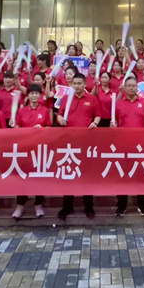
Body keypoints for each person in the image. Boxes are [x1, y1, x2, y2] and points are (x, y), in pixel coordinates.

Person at [57, 73, 100, 221]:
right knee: (69, 173)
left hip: (86, 142)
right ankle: (67, 206)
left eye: (79, 83)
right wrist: (60, 119)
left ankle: (89, 206)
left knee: (86, 174)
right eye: (74, 83)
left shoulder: (91, 98)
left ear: (84, 84)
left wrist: (95, 123)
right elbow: (59, 114)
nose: (76, 86)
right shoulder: (66, 98)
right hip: (69, 143)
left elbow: (98, 115)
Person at [111, 76, 144, 216]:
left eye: (133, 85)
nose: (131, 88)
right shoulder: (118, 104)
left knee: (142, 175)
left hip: (141, 146)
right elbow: (114, 123)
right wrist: (113, 128)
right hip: (123, 145)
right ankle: (121, 205)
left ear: (137, 87)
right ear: (124, 87)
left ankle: (142, 205)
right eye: (128, 85)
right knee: (122, 175)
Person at [12, 84, 51, 219]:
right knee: (22, 176)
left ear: (40, 95)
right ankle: (20, 205)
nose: (34, 96)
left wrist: (42, 129)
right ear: (27, 96)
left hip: (39, 149)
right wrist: (15, 127)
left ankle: (38, 204)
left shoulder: (44, 110)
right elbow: (17, 127)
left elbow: (49, 127)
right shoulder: (21, 111)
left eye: (36, 93)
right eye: (32, 93)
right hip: (24, 148)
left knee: (38, 176)